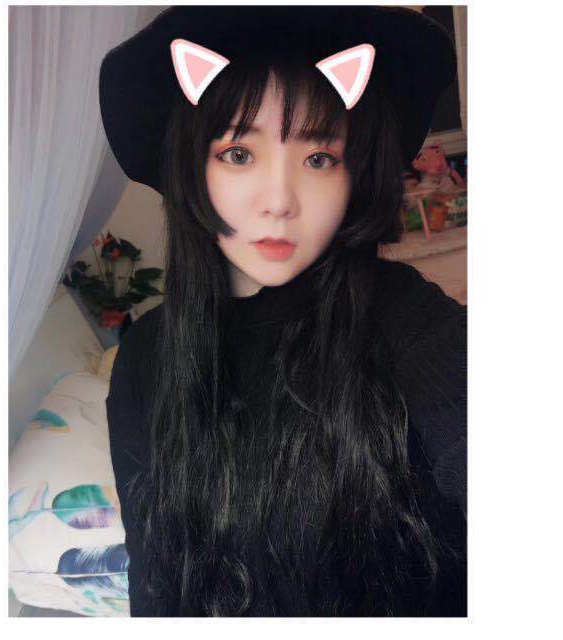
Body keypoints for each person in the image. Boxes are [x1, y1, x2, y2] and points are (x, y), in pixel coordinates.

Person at [100, 5, 466, 617]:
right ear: (191, 166)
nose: (279, 201)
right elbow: (154, 580)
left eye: (318, 158)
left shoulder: (405, 317)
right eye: (238, 154)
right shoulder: (145, 358)